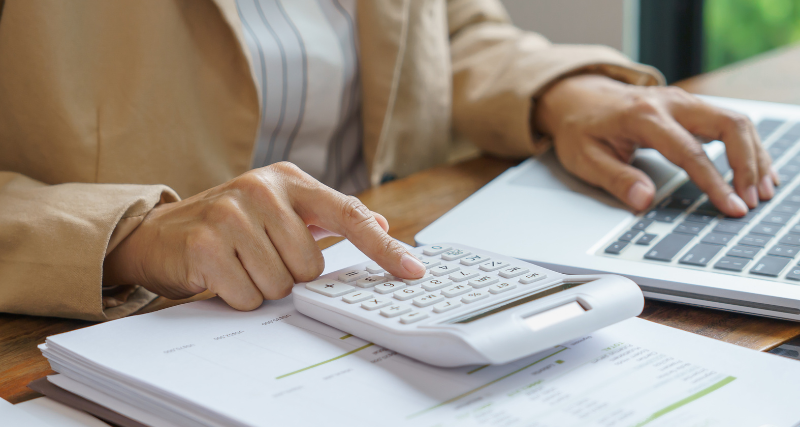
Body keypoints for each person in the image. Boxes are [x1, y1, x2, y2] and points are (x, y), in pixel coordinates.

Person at [0, 0, 777, 321]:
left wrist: (562, 93)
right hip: (130, 321)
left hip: (388, 293)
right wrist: (136, 233)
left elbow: (453, 30)